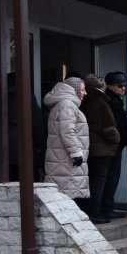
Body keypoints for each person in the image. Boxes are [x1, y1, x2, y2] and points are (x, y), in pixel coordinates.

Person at [43, 77, 92, 217]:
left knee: (64, 195)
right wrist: (76, 153)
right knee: (67, 197)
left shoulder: (64, 104)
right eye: (82, 90)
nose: (85, 93)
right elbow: (67, 131)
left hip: (62, 159)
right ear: (74, 90)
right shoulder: (67, 104)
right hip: (67, 160)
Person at [79, 74, 121, 225]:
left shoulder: (83, 101)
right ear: (101, 87)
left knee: (90, 180)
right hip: (101, 148)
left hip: (87, 146)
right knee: (99, 181)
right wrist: (117, 140)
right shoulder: (101, 102)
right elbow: (108, 127)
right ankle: (95, 212)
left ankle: (88, 210)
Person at [101, 71, 127, 220]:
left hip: (115, 145)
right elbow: (110, 126)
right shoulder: (109, 102)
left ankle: (107, 207)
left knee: (112, 177)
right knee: (110, 177)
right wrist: (117, 140)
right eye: (120, 86)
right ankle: (106, 208)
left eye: (125, 85)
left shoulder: (116, 100)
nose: (124, 88)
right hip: (112, 146)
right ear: (111, 86)